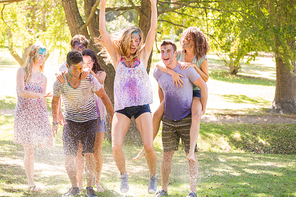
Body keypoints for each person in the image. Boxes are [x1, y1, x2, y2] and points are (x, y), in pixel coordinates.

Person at [97, 0, 158, 194]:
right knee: (116, 146)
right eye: (131, 40)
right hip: (122, 107)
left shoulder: (144, 54)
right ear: (125, 41)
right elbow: (103, 34)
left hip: (142, 106)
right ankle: (124, 176)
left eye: (137, 40)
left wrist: (153, 4)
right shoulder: (117, 58)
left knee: (148, 145)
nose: (134, 43)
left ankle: (153, 177)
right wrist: (103, 5)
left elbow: (153, 28)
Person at [134, 27, 210, 163]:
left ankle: (191, 151)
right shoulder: (178, 53)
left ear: (195, 41)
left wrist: (194, 67)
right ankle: (145, 147)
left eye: (188, 38)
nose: (184, 40)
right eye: (184, 37)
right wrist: (172, 73)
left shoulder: (201, 59)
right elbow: (159, 64)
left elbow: (205, 79)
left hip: (194, 92)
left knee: (196, 115)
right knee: (156, 115)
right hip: (178, 91)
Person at [52, 51, 114, 197]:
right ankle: (74, 187)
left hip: (89, 121)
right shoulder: (60, 82)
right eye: (74, 69)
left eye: (80, 68)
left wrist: (112, 114)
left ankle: (89, 187)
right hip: (70, 122)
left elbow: (103, 96)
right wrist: (55, 121)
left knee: (89, 153)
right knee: (68, 156)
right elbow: (54, 102)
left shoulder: (89, 78)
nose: (78, 72)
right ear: (67, 66)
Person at [153, 40, 208, 197]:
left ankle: (192, 191)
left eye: (168, 51)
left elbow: (203, 86)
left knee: (190, 155)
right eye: (162, 51)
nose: (165, 54)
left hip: (186, 119)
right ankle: (163, 189)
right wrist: (164, 104)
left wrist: (203, 107)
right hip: (169, 120)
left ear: (175, 52)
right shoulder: (158, 71)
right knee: (166, 155)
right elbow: (160, 87)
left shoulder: (186, 69)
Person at [14, 43, 53, 192]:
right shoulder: (22, 71)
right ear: (33, 55)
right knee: (28, 150)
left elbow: (43, 101)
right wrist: (39, 95)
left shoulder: (43, 78)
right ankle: (31, 183)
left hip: (38, 116)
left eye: (44, 55)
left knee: (35, 148)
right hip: (24, 115)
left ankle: (32, 180)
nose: (42, 58)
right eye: (40, 55)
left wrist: (47, 124)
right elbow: (21, 92)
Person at [56, 34, 90, 191]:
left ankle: (81, 183)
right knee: (74, 150)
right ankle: (75, 184)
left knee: (83, 151)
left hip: (86, 116)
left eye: (83, 49)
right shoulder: (63, 68)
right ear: (72, 48)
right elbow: (58, 92)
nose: (80, 51)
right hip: (70, 116)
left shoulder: (86, 67)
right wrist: (59, 114)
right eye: (78, 48)